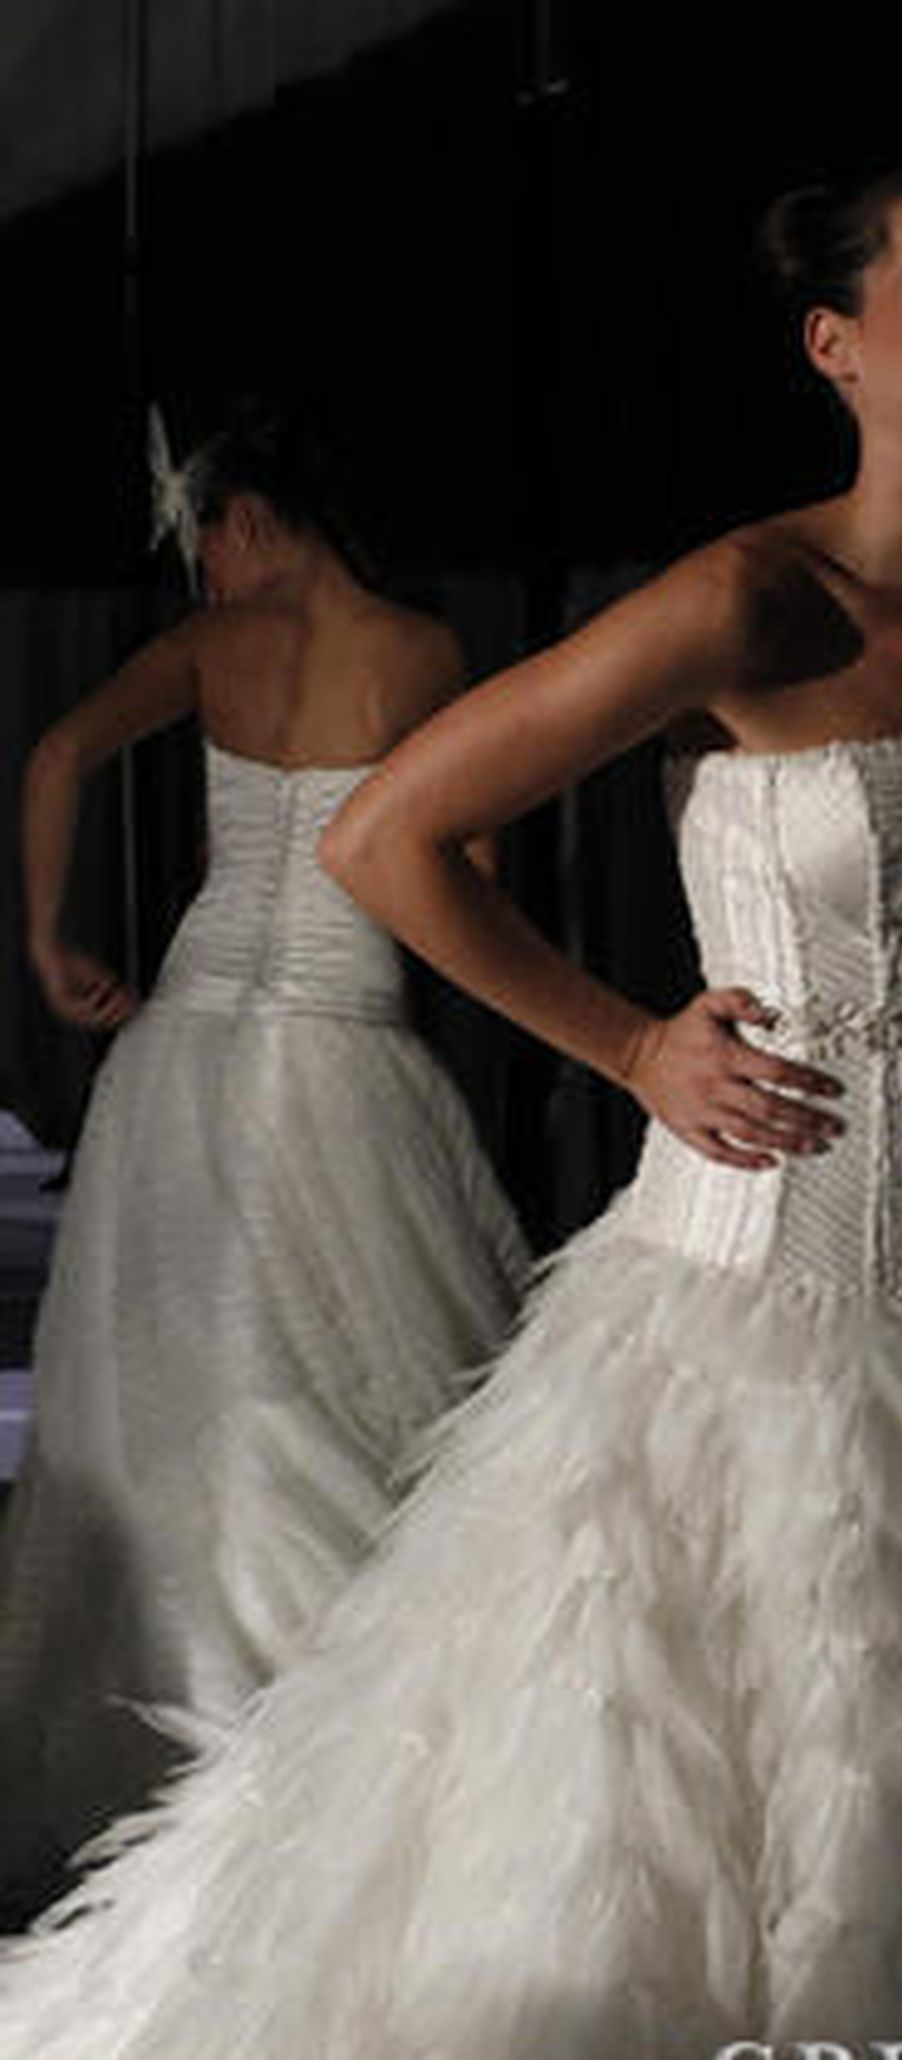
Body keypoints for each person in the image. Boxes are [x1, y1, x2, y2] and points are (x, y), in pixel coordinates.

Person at [0, 184, 902, 2060]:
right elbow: (386, 837)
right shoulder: (748, 601)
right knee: (719, 1804)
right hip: (742, 1303)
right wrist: (633, 1047)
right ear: (833, 347)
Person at [0, 408, 531, 1919]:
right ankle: (350, 1725)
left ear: (243, 518)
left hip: (188, 1037)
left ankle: (194, 1710)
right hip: (347, 1039)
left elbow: (54, 753)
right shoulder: (420, 650)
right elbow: (462, 871)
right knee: (354, 1380)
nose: (204, 574)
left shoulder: (212, 652)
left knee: (177, 1382)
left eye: (202, 544)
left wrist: (47, 942)